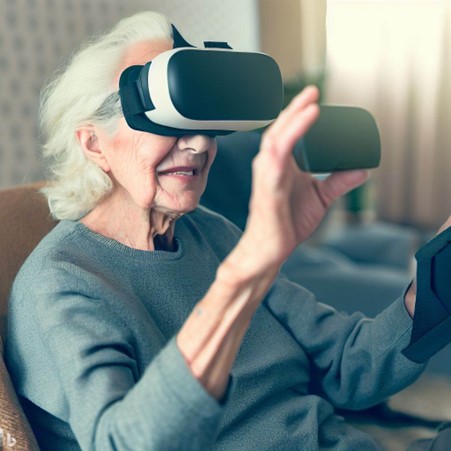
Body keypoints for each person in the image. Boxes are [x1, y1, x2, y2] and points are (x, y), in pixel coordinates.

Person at [4, 10, 434, 451]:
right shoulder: (64, 283)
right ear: (93, 143)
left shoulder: (210, 234)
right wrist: (247, 270)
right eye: (169, 121)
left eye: (206, 124)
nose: (200, 144)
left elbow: (348, 368)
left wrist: (433, 288)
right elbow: (124, 442)